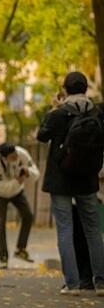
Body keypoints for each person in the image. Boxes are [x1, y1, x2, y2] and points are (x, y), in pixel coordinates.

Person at [37, 71, 104, 296]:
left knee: (65, 230)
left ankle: (72, 284)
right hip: (87, 178)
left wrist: (54, 109)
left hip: (61, 180)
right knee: (93, 231)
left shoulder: (59, 113)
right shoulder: (96, 112)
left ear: (65, 89)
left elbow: (41, 136)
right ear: (85, 89)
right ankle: (101, 282)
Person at [0, 144, 38, 269]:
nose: (16, 158)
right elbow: (3, 187)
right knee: (0, 224)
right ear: (5, 158)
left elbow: (36, 173)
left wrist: (27, 172)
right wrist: (18, 180)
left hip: (17, 191)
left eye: (16, 155)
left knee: (28, 216)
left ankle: (21, 249)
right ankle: (3, 257)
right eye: (12, 157)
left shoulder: (22, 153)